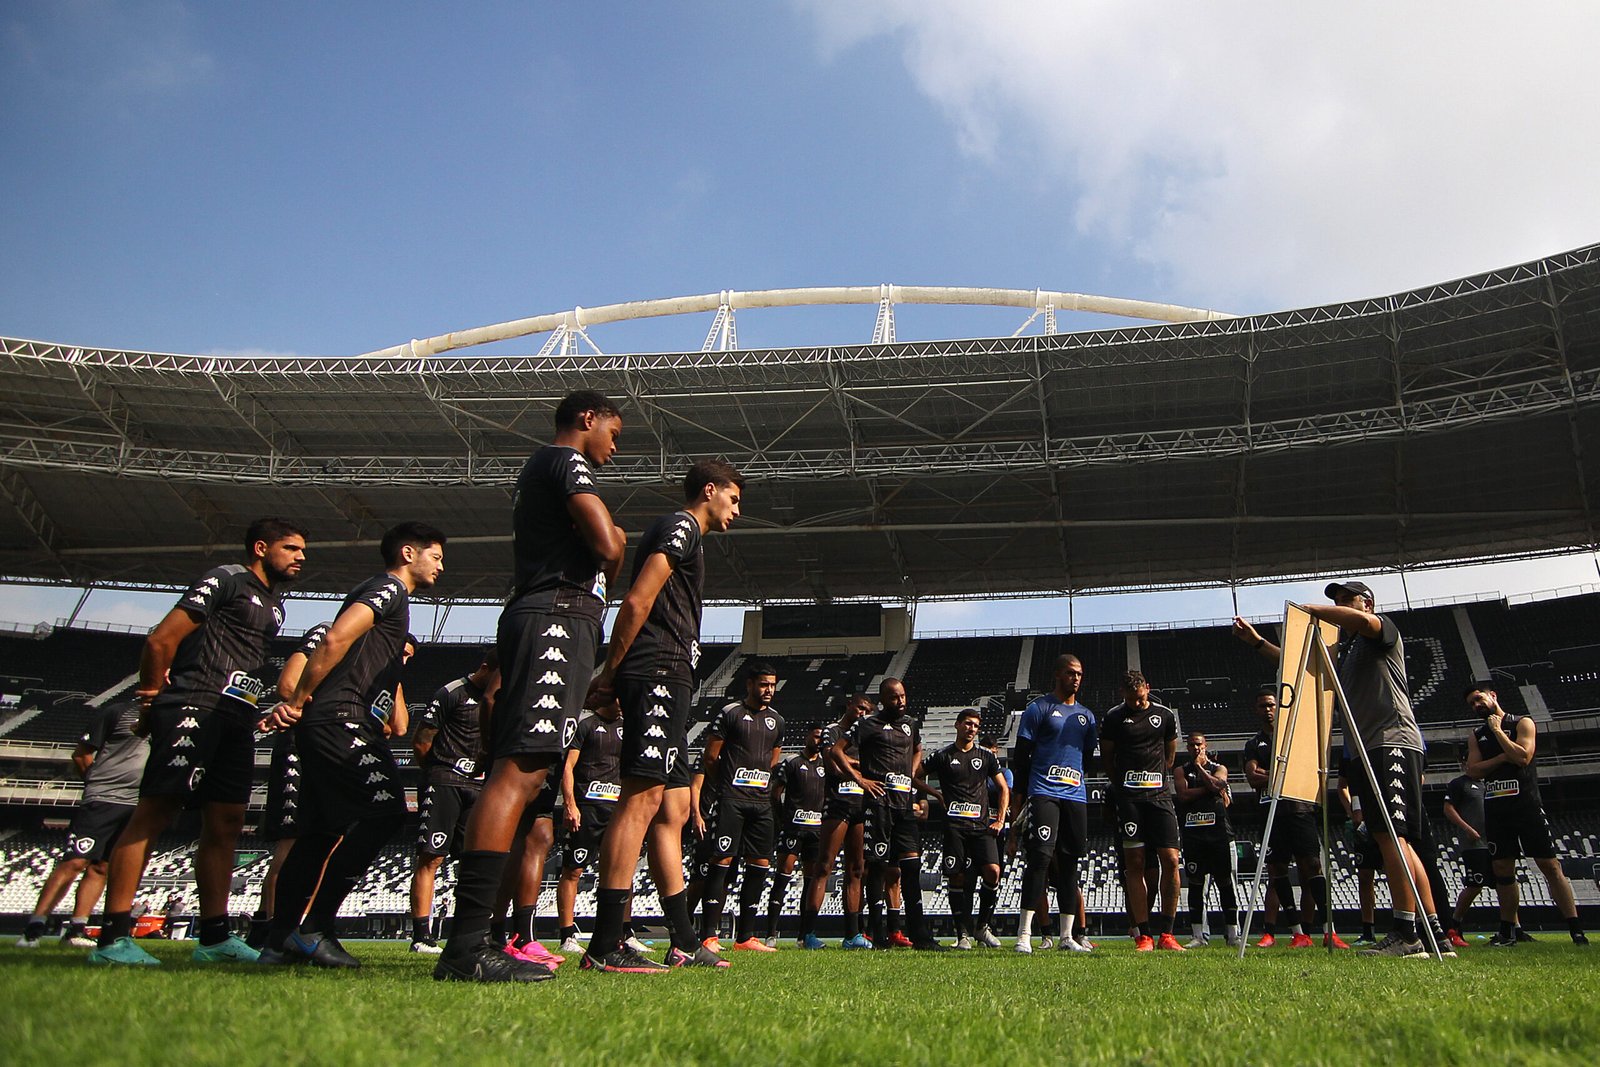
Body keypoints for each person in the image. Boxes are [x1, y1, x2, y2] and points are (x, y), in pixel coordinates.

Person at [434, 391, 625, 983]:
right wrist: (616, 539)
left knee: (529, 770)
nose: (614, 448)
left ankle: (484, 939)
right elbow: (608, 545)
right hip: (554, 617)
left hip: (558, 617)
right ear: (587, 420)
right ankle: (466, 947)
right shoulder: (564, 461)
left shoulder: (550, 470)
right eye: (613, 434)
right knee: (517, 771)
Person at [90, 517, 307, 966]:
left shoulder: (276, 605)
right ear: (261, 548)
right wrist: (151, 702)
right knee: (156, 810)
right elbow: (160, 641)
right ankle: (112, 938)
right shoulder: (225, 579)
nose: (300, 557)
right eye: (291, 548)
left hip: (238, 717)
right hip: (195, 703)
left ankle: (214, 937)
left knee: (227, 822)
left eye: (302, 550)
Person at [582, 459, 744, 972]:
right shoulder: (681, 527)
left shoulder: (688, 535)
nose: (736, 510)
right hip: (657, 669)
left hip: (673, 675)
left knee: (671, 808)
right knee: (642, 797)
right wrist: (610, 674)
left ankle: (683, 940)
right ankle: (605, 944)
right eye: (733, 499)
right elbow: (636, 600)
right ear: (710, 490)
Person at [257, 521, 442, 968]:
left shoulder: (390, 597)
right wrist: (297, 701)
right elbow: (336, 637)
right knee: (386, 814)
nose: (441, 566)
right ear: (408, 553)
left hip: (336, 717)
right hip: (342, 716)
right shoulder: (388, 589)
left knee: (321, 830)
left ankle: (279, 942)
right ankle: (315, 928)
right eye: (435, 556)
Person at [1235, 580, 1443, 958]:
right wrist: (1257, 642)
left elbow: (1362, 622)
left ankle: (1407, 933)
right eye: (1339, 601)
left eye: (1350, 599)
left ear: (1368, 604)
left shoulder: (1381, 630)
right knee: (1392, 837)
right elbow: (1299, 666)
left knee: (1392, 836)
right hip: (1365, 749)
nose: (1343, 605)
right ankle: (1434, 933)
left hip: (1391, 741)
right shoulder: (1346, 653)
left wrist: (1312, 612)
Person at [17, 699, 148, 949]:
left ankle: (76, 930)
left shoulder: (173, 716)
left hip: (137, 804)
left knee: (102, 867)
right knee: (75, 861)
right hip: (103, 799)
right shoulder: (118, 712)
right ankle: (34, 927)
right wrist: (96, 784)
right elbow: (81, 754)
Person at [1464, 684, 1588, 947]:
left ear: (1492, 695)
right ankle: (1508, 932)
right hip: (1496, 808)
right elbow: (1473, 770)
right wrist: (1501, 758)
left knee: (1549, 865)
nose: (1476, 705)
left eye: (1479, 699)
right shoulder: (1476, 735)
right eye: (1472, 704)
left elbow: (1522, 757)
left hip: (1526, 805)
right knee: (1502, 868)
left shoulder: (1522, 722)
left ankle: (1576, 930)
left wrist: (1498, 732)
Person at [832, 677, 942, 951]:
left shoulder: (910, 725)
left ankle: (920, 935)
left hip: (905, 806)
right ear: (882, 700)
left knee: (911, 868)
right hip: (878, 805)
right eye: (894, 697)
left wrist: (912, 774)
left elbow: (918, 750)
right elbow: (836, 751)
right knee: (878, 867)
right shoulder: (866, 724)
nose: (901, 701)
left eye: (903, 696)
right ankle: (877, 934)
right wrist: (860, 780)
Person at [1240, 689, 1344, 949]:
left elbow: (1304, 770)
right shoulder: (1253, 744)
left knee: (1312, 865)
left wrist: (1269, 773)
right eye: (1263, 706)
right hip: (1270, 811)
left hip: (1299, 808)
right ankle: (1297, 933)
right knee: (1277, 869)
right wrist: (1282, 774)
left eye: (1271, 705)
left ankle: (1328, 930)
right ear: (1256, 710)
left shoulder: (1294, 738)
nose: (1268, 710)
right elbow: (1252, 777)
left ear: (1279, 707)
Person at [246, 623, 328, 949]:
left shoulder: (370, 650)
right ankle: (273, 931)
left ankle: (283, 929)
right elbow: (288, 685)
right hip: (301, 744)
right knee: (291, 843)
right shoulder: (326, 633)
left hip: (329, 750)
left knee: (321, 844)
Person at [409, 648, 496, 953]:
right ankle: (421, 937)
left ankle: (470, 932)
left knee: (474, 860)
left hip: (479, 787)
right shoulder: (451, 693)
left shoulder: (499, 699)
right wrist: (439, 771)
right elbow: (422, 741)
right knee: (431, 857)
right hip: (445, 782)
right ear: (484, 669)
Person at [693, 663, 784, 951]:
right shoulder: (730, 713)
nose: (769, 690)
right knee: (722, 861)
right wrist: (727, 784)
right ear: (750, 685)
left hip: (761, 802)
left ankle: (745, 937)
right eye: (763, 684)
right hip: (732, 800)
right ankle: (709, 935)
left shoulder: (777, 720)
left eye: (772, 685)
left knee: (760, 863)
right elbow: (711, 757)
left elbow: (773, 759)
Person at [1011, 654, 1096, 954]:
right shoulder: (1039, 708)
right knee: (1040, 860)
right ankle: (1024, 935)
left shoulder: (1087, 716)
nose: (1076, 678)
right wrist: (1021, 796)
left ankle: (1066, 937)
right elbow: (1021, 756)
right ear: (1058, 674)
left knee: (1070, 865)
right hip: (1043, 792)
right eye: (1071, 673)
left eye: (1080, 674)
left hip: (1075, 796)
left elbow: (1087, 758)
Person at [1100, 670, 1184, 951]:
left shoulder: (1165, 716)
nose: (1137, 703)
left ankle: (1167, 934)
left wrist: (1154, 779)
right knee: (1134, 864)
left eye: (1140, 697)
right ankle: (1144, 935)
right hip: (1130, 801)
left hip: (1159, 797)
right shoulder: (1113, 718)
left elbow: (1170, 756)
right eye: (1131, 699)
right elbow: (1108, 759)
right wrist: (1123, 787)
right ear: (1122, 694)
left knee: (1170, 859)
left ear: (1147, 688)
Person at [924, 709, 1009, 950]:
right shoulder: (943, 755)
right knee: (957, 877)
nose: (972, 729)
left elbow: (1004, 788)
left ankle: (982, 927)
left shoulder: (986, 756)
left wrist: (1000, 820)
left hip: (981, 826)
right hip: (955, 827)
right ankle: (962, 934)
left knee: (993, 871)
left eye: (976, 726)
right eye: (968, 724)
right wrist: (936, 794)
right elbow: (915, 775)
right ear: (957, 725)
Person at [556, 696, 625, 953]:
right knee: (573, 870)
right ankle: (567, 936)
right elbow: (568, 767)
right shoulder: (585, 724)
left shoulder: (628, 728)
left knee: (621, 871)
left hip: (616, 809)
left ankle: (622, 933)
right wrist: (570, 805)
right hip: (587, 808)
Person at [807, 693, 873, 948]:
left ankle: (852, 935)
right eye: (860, 708)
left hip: (860, 805)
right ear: (849, 705)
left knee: (856, 869)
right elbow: (832, 766)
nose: (863, 714)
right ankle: (808, 934)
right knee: (824, 865)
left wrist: (851, 764)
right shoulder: (833, 731)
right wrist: (859, 768)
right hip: (837, 804)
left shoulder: (866, 736)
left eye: (867, 711)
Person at [1173, 731, 1241, 947]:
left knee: (1226, 884)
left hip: (1220, 834)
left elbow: (1218, 785)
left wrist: (1201, 770)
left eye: (1199, 744)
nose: (1196, 748)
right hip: (1193, 834)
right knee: (1196, 885)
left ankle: (1233, 934)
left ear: (1205, 746)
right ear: (1187, 747)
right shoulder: (1181, 770)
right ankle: (1198, 936)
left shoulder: (1219, 768)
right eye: (1192, 745)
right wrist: (1210, 790)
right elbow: (1183, 795)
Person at [768, 725, 828, 948]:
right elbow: (775, 793)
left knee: (811, 882)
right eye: (816, 736)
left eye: (822, 738)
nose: (819, 741)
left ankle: (804, 936)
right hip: (793, 828)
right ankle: (771, 934)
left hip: (816, 830)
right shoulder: (792, 762)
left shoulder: (826, 765)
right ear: (807, 737)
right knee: (783, 876)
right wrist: (782, 820)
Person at [1441, 757, 1489, 949]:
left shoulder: (1488, 784)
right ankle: (1454, 925)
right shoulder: (1459, 784)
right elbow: (1448, 808)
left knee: (1505, 883)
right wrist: (1467, 828)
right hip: (1474, 844)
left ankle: (1512, 927)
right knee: (1475, 885)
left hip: (1493, 842)